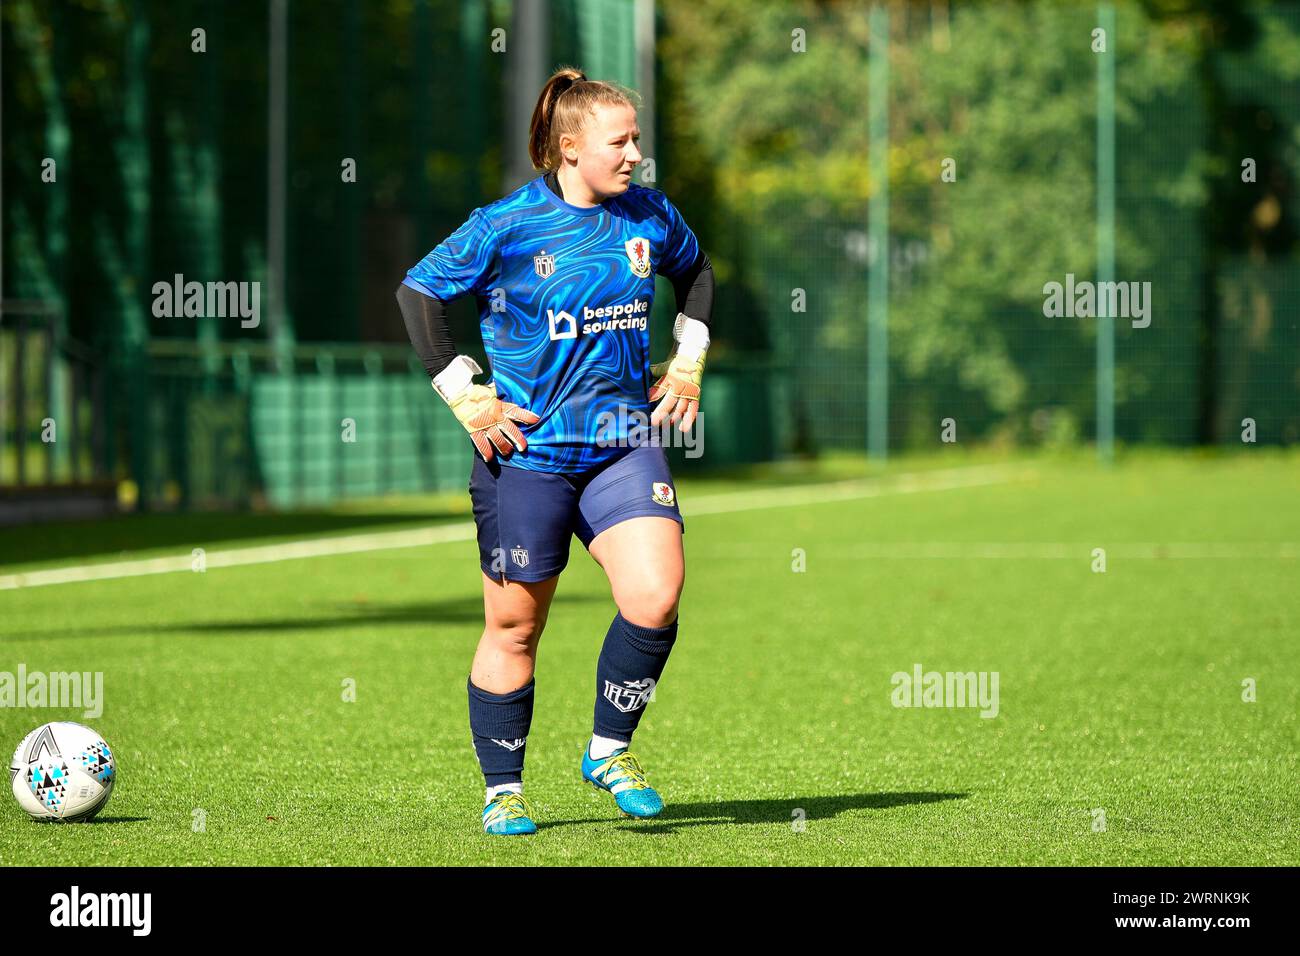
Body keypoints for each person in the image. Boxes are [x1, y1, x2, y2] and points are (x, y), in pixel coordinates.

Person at [397, 65, 714, 835]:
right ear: (570, 148)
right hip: (528, 457)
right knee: (515, 628)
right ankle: (503, 790)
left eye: (636, 137)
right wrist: (464, 393)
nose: (635, 152)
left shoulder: (650, 216)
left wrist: (689, 356)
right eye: (620, 140)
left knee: (656, 596)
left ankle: (609, 749)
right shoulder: (507, 223)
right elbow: (418, 293)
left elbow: (697, 273)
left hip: (620, 444)